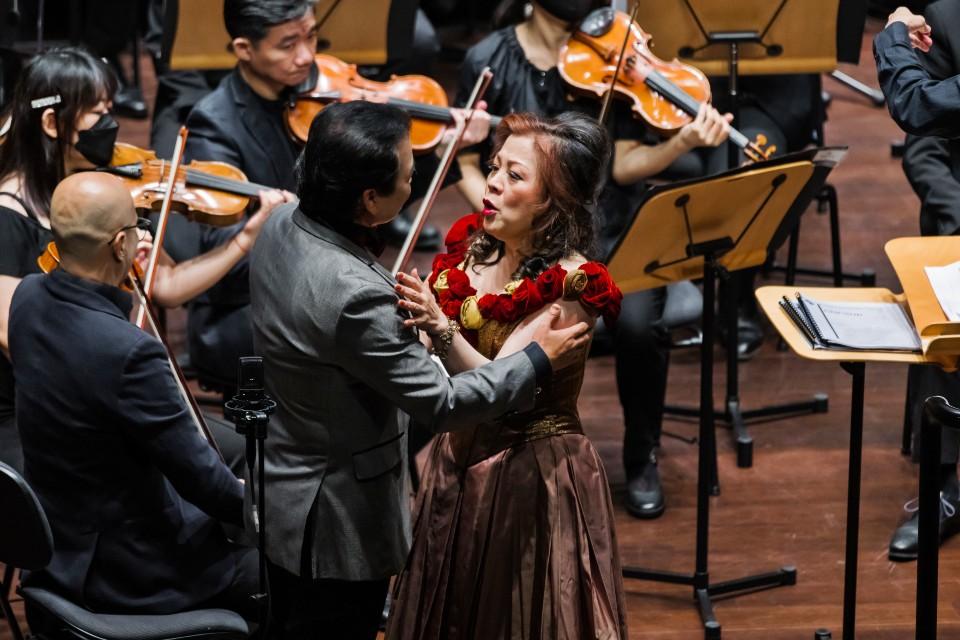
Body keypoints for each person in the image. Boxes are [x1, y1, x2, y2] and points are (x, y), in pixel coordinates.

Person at [248, 100, 589, 639]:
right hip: (335, 514)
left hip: (284, 475)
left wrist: (437, 331)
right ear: (370, 199)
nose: (417, 178)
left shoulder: (282, 222)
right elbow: (444, 404)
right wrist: (535, 358)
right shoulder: (355, 294)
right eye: (409, 175)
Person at [452, 0, 731, 519]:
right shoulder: (489, 57)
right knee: (494, 324)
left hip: (609, 232)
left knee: (640, 327)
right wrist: (503, 217)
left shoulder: (609, 55)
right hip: (517, 239)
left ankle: (641, 450)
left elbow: (622, 165)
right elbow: (465, 163)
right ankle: (499, 448)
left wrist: (683, 143)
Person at [387, 111, 626, 639]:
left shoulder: (572, 286)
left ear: (553, 202)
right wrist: (416, 333)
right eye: (495, 167)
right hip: (454, 460)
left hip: (529, 474)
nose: (493, 182)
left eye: (515, 176)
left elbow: (500, 385)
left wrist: (437, 326)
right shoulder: (474, 246)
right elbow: (432, 352)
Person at [0, 46, 286, 474]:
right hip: (42, 411)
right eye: (98, 113)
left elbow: (165, 285)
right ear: (50, 123)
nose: (113, 127)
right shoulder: (8, 215)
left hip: (109, 387)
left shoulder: (101, 191)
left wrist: (244, 239)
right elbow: (19, 340)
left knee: (245, 455)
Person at [8, 172, 257, 619]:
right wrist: (269, 512)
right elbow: (204, 483)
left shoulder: (26, 298)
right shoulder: (129, 352)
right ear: (120, 245)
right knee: (295, 570)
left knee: (233, 452)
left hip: (64, 536)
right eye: (137, 227)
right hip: (132, 572)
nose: (145, 234)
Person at [885, 0, 960, 561]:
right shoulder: (950, 16)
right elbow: (926, 143)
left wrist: (890, 35)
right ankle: (943, 490)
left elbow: (914, 102)